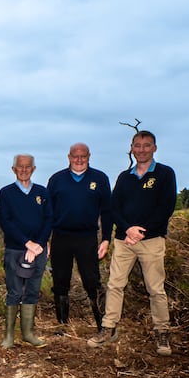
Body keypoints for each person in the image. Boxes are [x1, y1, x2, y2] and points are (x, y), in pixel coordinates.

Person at [87, 130, 177, 356]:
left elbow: (166, 208)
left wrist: (141, 232)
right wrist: (127, 229)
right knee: (115, 285)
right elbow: (113, 208)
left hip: (152, 240)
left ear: (154, 148)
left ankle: (162, 332)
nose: (141, 150)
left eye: (146, 145)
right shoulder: (124, 177)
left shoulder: (165, 174)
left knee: (155, 288)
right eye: (137, 145)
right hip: (124, 240)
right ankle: (108, 328)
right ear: (132, 148)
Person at [47, 143, 112, 334]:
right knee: (60, 282)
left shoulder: (99, 179)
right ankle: (62, 325)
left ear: (89, 156)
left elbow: (107, 212)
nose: (79, 160)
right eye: (75, 156)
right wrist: (45, 239)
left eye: (83, 156)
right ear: (69, 157)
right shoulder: (57, 179)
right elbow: (47, 212)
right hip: (60, 237)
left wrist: (106, 239)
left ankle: (102, 325)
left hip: (87, 238)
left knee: (93, 282)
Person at [0, 154, 52, 349]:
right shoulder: (6, 193)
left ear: (33, 168)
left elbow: (48, 220)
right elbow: (6, 221)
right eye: (19, 167)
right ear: (13, 169)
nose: (23, 169)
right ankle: (9, 336)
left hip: (39, 250)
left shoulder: (42, 192)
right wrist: (27, 243)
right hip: (15, 249)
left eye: (27, 166)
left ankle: (28, 333)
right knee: (13, 291)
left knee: (32, 291)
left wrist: (38, 244)